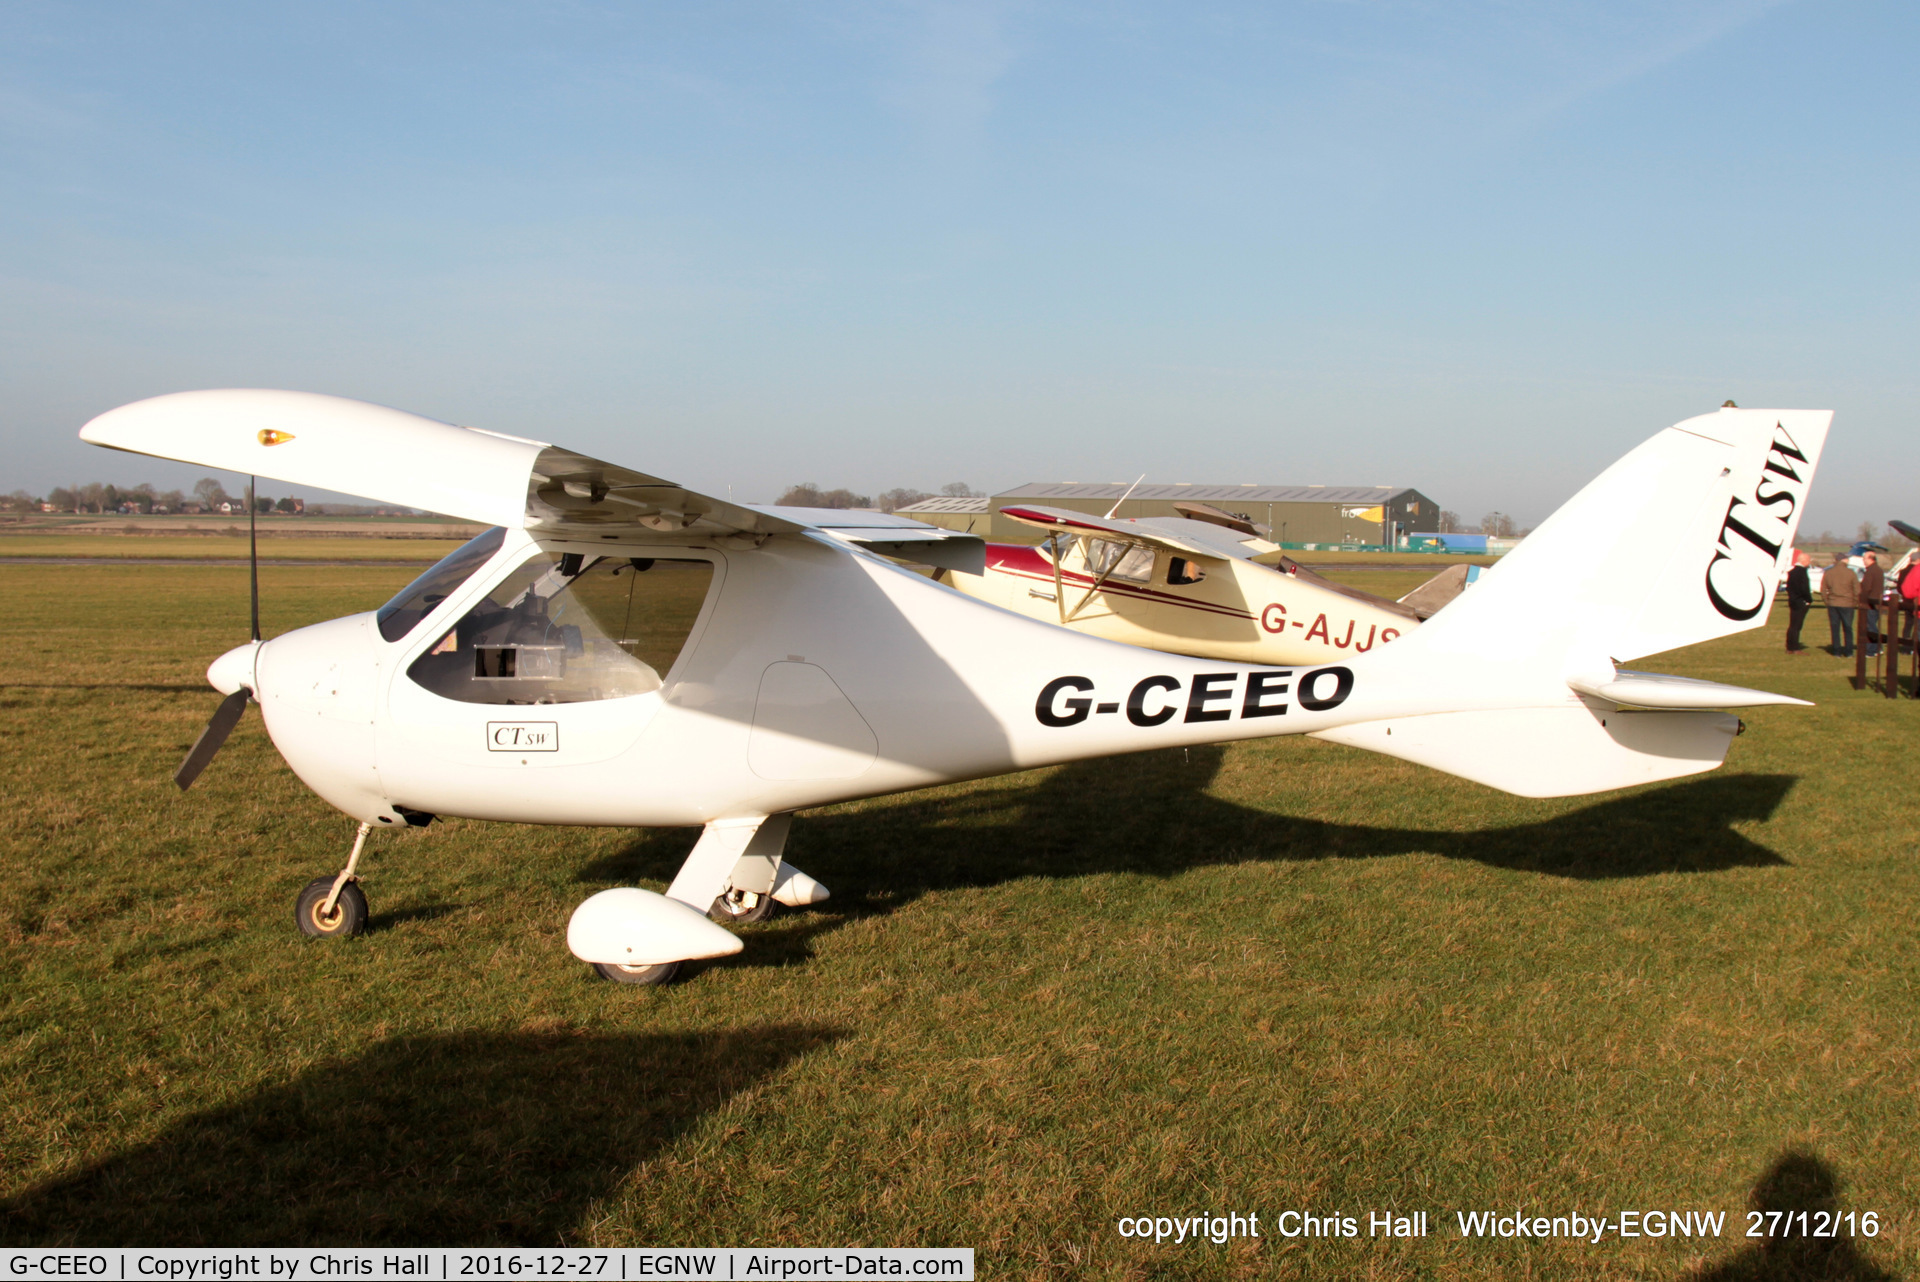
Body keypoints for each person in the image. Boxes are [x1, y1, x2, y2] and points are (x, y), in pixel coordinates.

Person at [1822, 551, 1859, 656]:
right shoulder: (1851, 573)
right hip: (1847, 604)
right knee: (1848, 628)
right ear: (1844, 560)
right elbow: (1857, 590)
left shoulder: (1828, 572)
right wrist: (1855, 601)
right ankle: (1848, 651)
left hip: (1833, 603)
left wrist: (1827, 601)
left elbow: (1824, 589)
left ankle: (1836, 651)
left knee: (1835, 628)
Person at [1784, 550, 1812, 653]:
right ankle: (1795, 647)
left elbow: (1789, 588)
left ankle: (1789, 645)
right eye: (1808, 560)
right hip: (1800, 602)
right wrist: (1808, 599)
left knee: (1792, 625)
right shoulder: (1802, 572)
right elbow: (1804, 588)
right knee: (1797, 625)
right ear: (1804, 561)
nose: (1809, 562)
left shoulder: (1792, 572)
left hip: (1792, 600)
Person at [1861, 551, 1885, 658]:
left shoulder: (1870, 571)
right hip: (1877, 602)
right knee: (1873, 625)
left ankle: (1871, 650)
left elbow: (1867, 587)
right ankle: (1879, 647)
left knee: (1870, 627)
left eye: (1865, 558)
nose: (1863, 560)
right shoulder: (1878, 569)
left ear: (1871, 558)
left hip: (1871, 602)